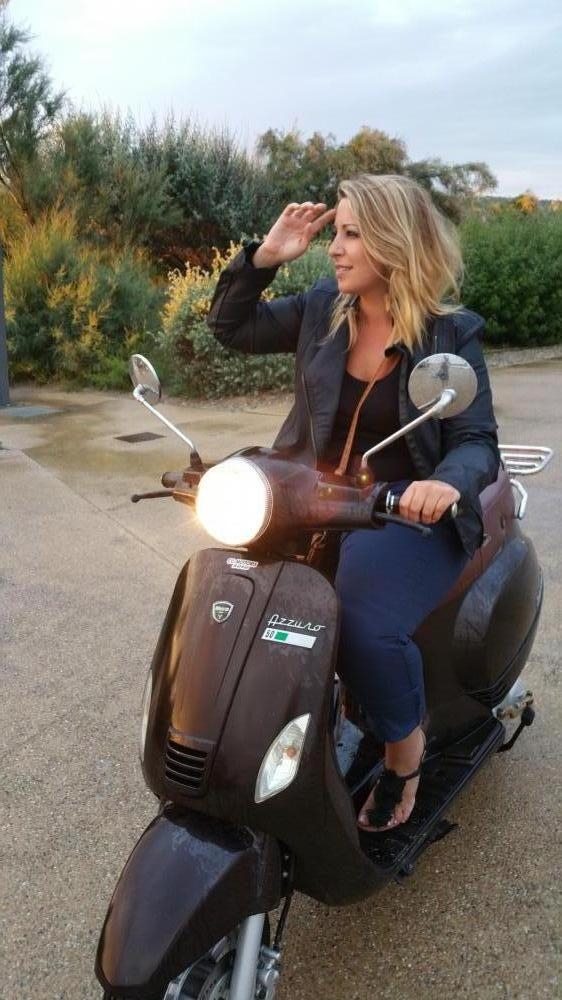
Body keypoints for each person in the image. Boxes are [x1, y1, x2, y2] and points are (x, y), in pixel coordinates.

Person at [206, 174, 500, 832]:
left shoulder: (449, 336)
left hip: (403, 512)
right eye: (335, 232)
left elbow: (476, 440)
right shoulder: (322, 308)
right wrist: (262, 259)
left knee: (360, 620)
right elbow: (231, 326)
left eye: (352, 234)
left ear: (395, 241)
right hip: (309, 498)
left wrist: (445, 484)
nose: (334, 248)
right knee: (233, 596)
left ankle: (404, 752)